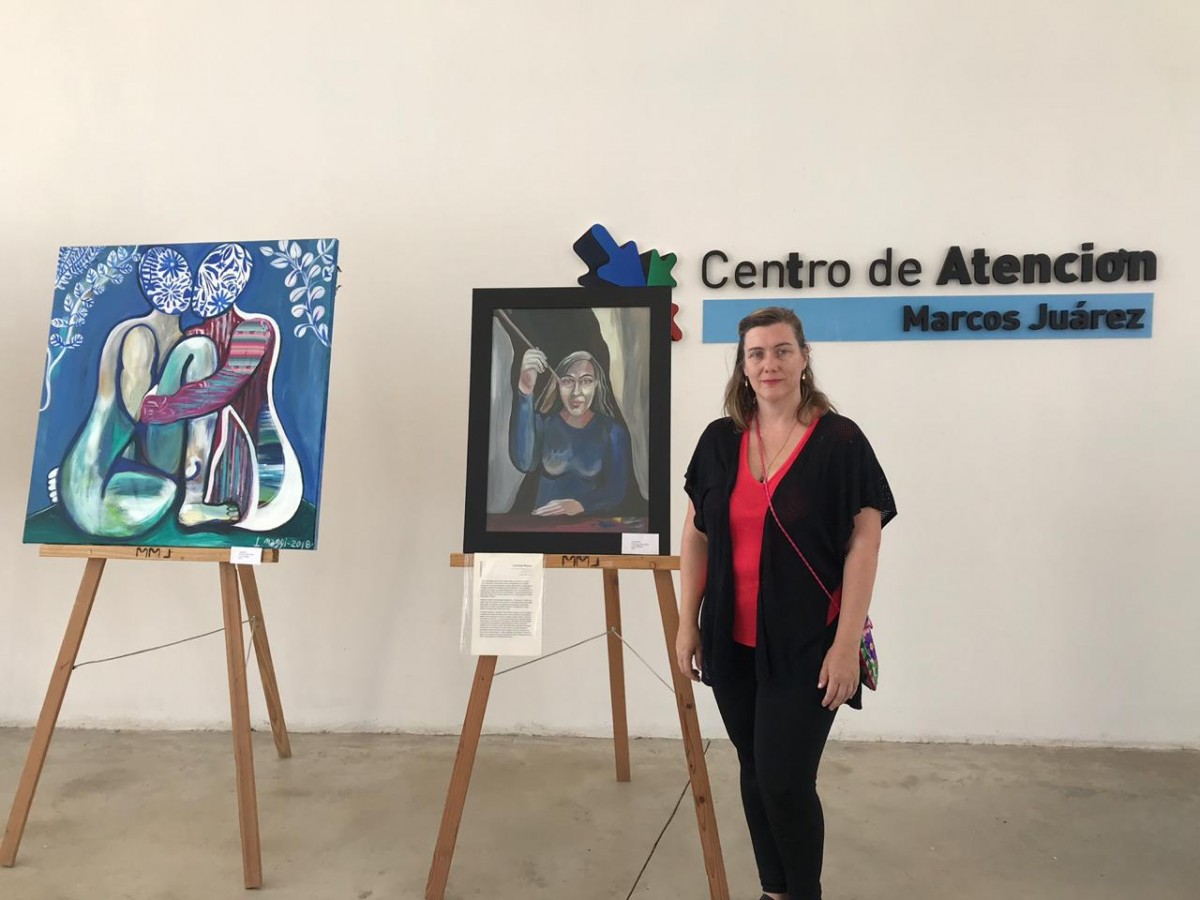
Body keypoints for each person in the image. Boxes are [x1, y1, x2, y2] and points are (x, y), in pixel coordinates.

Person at [675, 307, 896, 900]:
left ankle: (803, 893)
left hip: (808, 643)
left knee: (785, 780)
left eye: (781, 350)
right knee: (754, 772)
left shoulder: (840, 440)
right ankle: (774, 890)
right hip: (732, 640)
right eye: (756, 354)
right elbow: (695, 535)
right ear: (742, 367)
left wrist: (846, 646)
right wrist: (685, 624)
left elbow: (864, 541)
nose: (769, 363)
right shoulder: (719, 442)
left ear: (803, 358)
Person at [508, 348, 638, 517]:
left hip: (590, 530)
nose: (577, 392)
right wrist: (525, 389)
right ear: (557, 383)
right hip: (543, 526)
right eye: (568, 381)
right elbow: (523, 463)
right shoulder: (543, 424)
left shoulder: (613, 432)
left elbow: (616, 491)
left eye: (586, 381)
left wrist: (580, 504)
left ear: (597, 385)